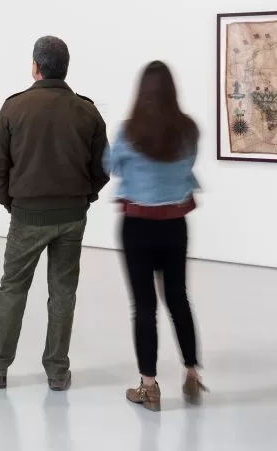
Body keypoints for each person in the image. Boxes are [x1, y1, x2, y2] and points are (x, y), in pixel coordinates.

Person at [0, 35, 109, 392]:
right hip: (72, 216)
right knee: (63, 292)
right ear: (65, 68)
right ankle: (58, 372)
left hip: (27, 216)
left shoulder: (14, 107)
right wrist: (85, 198)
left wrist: (11, 203)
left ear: (35, 67)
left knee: (13, 289)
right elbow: (103, 167)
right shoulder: (87, 111)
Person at [104, 61, 206, 411]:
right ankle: (191, 374)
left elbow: (109, 165)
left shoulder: (129, 130)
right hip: (175, 224)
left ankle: (149, 388)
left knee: (144, 306)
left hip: (137, 226)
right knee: (178, 298)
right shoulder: (189, 130)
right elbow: (188, 165)